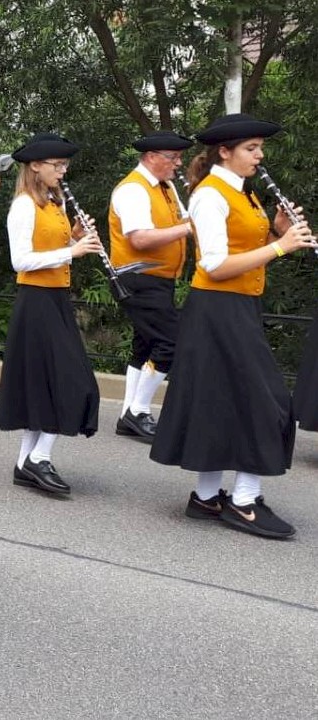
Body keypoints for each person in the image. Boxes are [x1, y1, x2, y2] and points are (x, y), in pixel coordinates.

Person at [150, 114, 313, 538]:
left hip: (240, 306)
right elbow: (216, 264)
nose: (260, 156)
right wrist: (281, 246)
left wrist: (276, 231)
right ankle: (243, 502)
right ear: (225, 151)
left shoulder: (246, 193)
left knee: (220, 401)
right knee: (269, 402)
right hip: (217, 307)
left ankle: (206, 498)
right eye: (251, 149)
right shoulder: (210, 195)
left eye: (260, 148)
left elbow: (245, 248)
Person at [0, 133, 104, 496]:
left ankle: (27, 462)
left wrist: (74, 238)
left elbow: (53, 248)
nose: (63, 171)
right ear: (35, 167)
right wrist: (73, 253)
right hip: (36, 301)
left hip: (55, 299)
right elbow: (20, 260)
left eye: (65, 165)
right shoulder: (24, 205)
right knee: (71, 382)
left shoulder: (54, 204)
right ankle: (38, 459)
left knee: (44, 385)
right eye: (57, 165)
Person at [106, 131, 195, 441]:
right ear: (152, 157)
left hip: (160, 277)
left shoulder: (166, 186)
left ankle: (127, 413)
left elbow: (186, 219)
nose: (178, 163)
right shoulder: (133, 189)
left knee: (145, 344)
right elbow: (140, 238)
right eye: (173, 158)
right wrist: (188, 227)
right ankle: (138, 411)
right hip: (139, 276)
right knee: (171, 341)